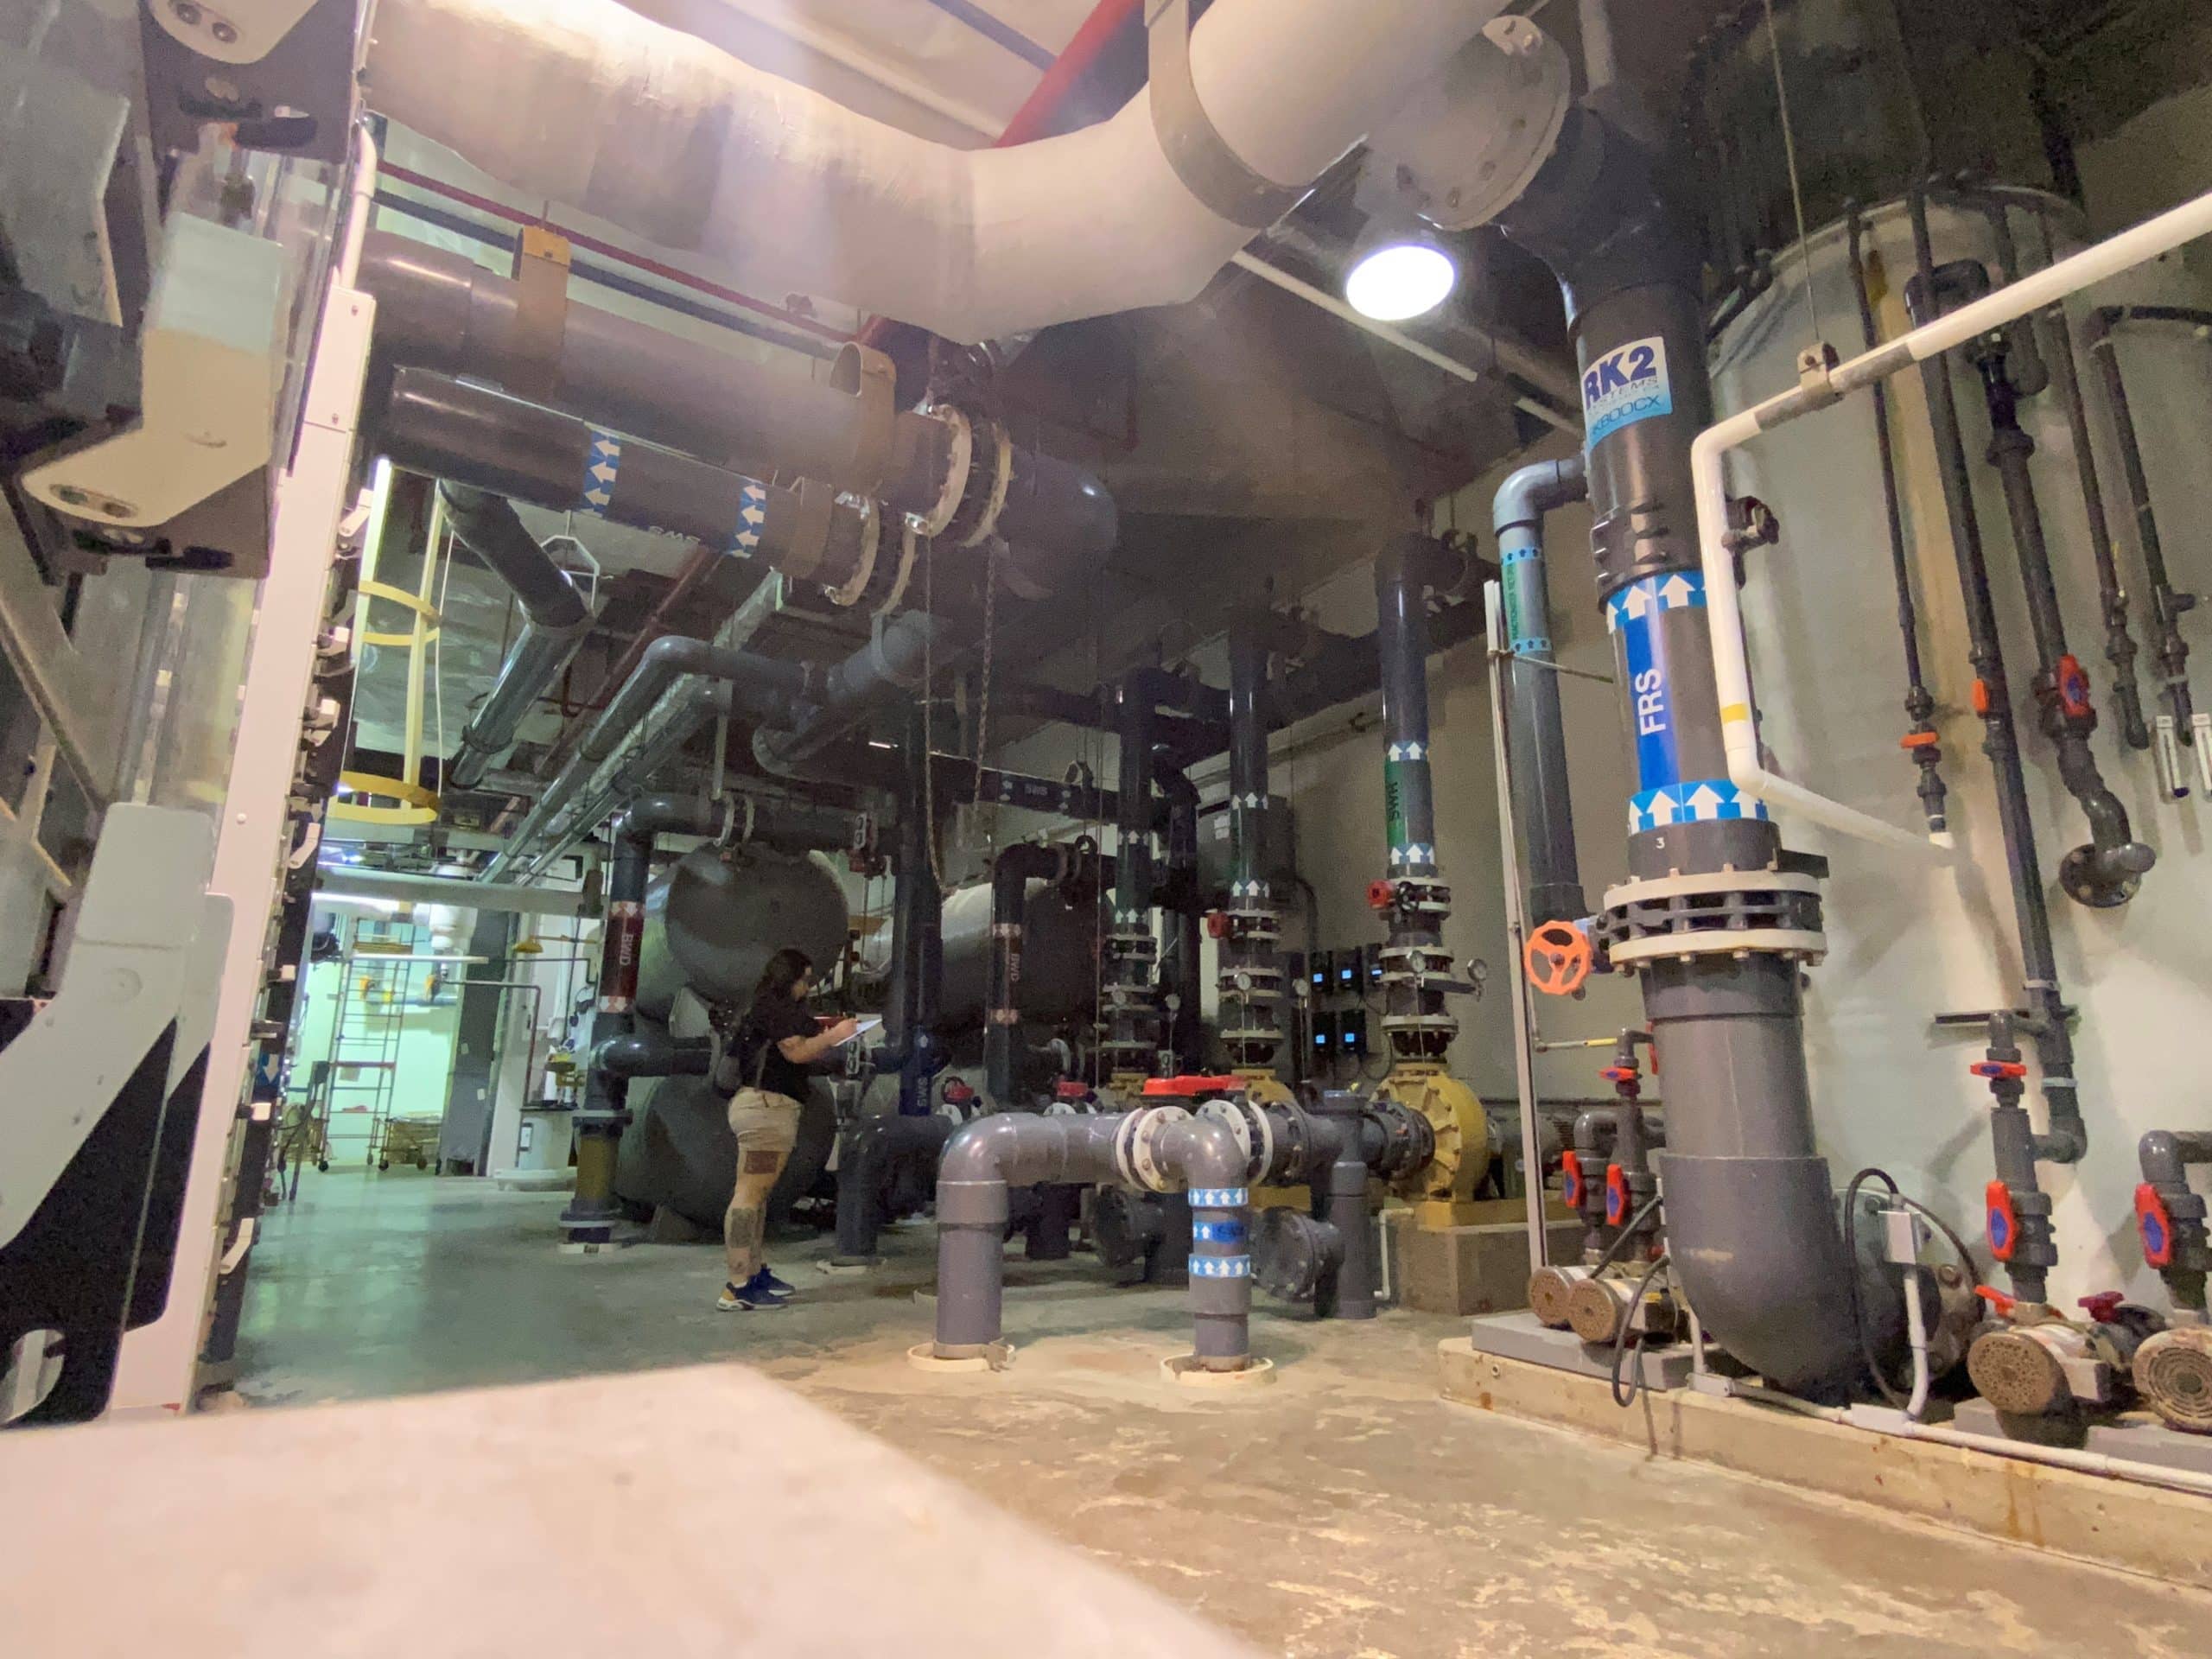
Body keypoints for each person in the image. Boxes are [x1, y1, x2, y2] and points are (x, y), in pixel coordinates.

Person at [713, 948, 857, 1310]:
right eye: (804, 979)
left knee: (756, 1198)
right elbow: (796, 1052)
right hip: (766, 1109)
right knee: (748, 1195)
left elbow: (803, 1033)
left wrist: (827, 1029)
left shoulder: (773, 1008)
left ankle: (754, 1272)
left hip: (768, 1109)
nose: (806, 987)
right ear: (789, 978)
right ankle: (738, 1285)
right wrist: (834, 1035)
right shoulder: (771, 1007)